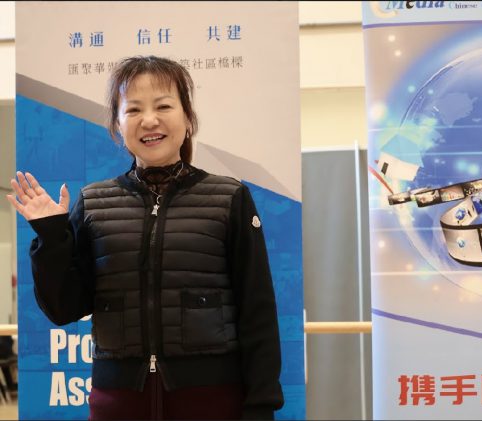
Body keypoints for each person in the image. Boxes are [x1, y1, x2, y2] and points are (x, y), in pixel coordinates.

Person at [6, 55, 283, 420]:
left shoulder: (229, 198)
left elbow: (257, 311)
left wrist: (261, 405)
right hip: (118, 402)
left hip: (211, 401)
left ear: (188, 118)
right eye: (133, 109)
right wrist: (52, 235)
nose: (149, 120)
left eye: (163, 106)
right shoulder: (93, 203)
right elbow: (63, 309)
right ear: (117, 125)